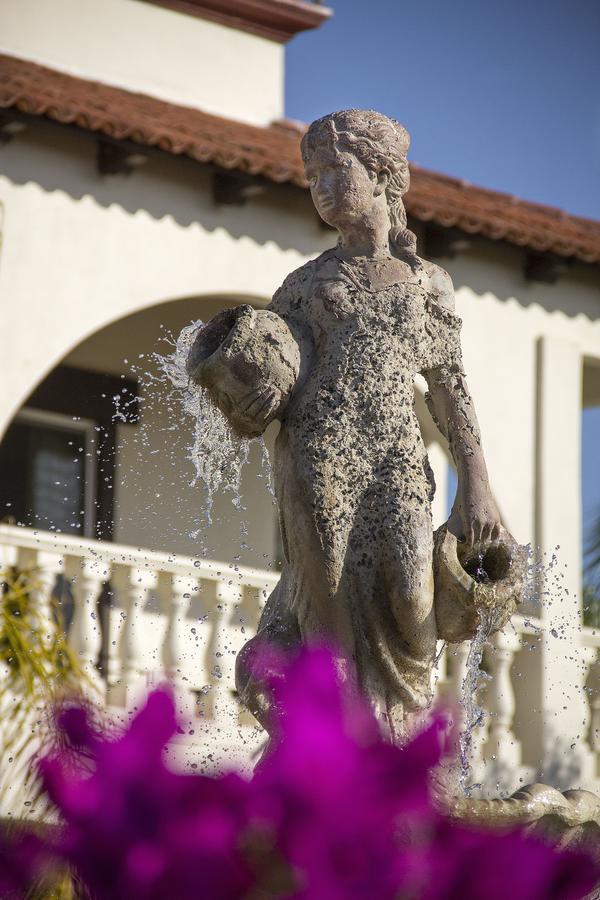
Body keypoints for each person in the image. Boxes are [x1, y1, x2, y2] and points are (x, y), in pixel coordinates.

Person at [235, 109, 501, 743]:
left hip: (397, 464)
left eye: (336, 170)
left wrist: (478, 485)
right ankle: (340, 760)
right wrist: (244, 390)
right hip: (317, 459)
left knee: (415, 609)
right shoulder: (301, 287)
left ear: (383, 176)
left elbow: (449, 387)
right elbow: (274, 378)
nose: (322, 186)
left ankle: (400, 758)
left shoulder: (427, 284)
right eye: (313, 175)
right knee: (326, 611)